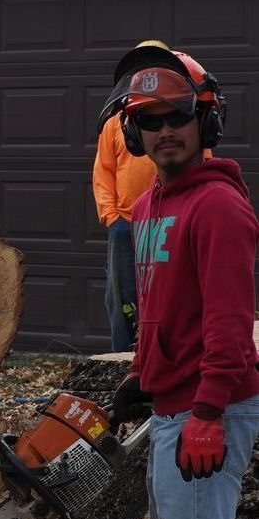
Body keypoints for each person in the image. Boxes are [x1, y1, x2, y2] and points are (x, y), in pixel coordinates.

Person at [98, 44, 259, 519]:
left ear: (206, 121)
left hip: (208, 409)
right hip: (175, 400)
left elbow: (229, 324)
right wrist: (147, 374)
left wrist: (206, 410)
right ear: (132, 134)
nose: (165, 131)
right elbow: (166, 311)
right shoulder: (150, 204)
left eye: (177, 117)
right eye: (149, 120)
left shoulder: (219, 207)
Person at [93, 107, 157, 350]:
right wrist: (112, 217)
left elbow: (203, 162)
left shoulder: (181, 120)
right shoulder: (115, 123)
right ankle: (122, 362)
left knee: (169, 294)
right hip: (125, 225)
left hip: (171, 221)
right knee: (122, 298)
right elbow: (104, 172)